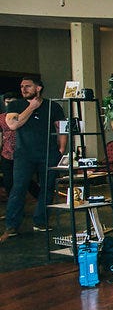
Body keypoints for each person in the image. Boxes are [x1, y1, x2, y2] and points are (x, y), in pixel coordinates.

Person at [2, 78, 67, 241]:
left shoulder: (53, 106)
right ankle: (12, 225)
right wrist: (31, 107)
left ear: (38, 88)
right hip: (24, 154)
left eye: (28, 86)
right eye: (22, 86)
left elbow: (61, 127)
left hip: (48, 153)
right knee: (18, 188)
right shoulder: (15, 105)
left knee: (47, 188)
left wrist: (61, 149)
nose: (23, 89)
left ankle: (41, 221)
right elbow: (13, 125)